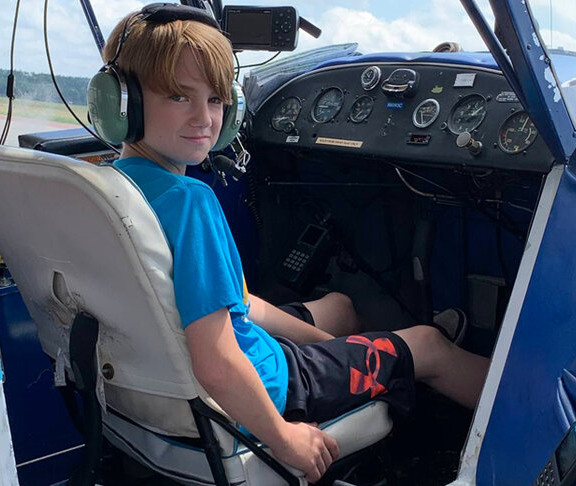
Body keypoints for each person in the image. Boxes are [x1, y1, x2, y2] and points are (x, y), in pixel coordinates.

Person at [103, 6, 490, 483]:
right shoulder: (189, 201)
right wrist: (286, 439)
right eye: (180, 97)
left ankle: (362, 351)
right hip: (274, 390)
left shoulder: (112, 188)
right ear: (126, 103)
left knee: (341, 305)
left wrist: (335, 346)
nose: (205, 119)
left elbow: (238, 306)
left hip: (186, 376)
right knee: (429, 343)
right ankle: (524, 426)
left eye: (216, 99)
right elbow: (216, 359)